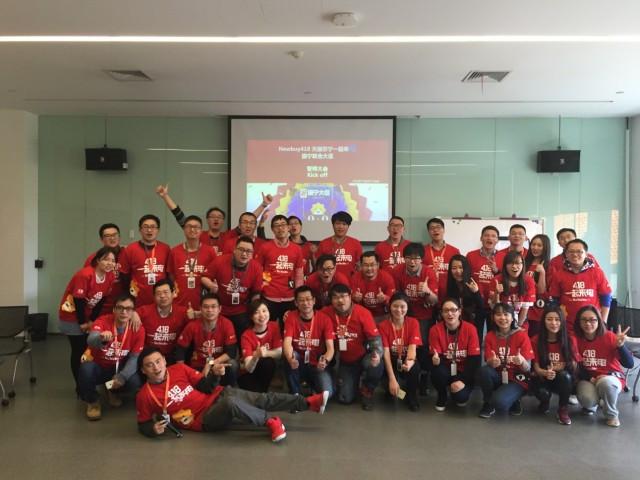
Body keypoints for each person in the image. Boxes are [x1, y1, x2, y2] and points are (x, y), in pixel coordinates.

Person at [136, 347, 329, 442]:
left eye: (158, 361)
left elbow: (205, 387)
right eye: (149, 365)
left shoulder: (178, 369)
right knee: (230, 403)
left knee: (262, 398)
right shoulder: (145, 395)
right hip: (204, 419)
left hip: (217, 395)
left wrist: (215, 375)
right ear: (144, 371)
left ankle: (307, 403)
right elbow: (143, 423)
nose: (156, 367)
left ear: (164, 360)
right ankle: (270, 421)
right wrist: (152, 430)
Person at [59, 246, 116, 395]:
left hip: (87, 316)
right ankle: (80, 387)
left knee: (89, 350)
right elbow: (78, 301)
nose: (109, 263)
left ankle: (87, 382)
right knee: (78, 350)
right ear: (97, 260)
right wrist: (83, 323)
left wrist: (92, 321)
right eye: (106, 259)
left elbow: (102, 300)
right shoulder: (85, 275)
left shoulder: (110, 276)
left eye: (112, 260)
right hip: (72, 317)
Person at [78, 294, 145, 420]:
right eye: (120, 308)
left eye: (128, 309)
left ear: (133, 312)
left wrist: (122, 376)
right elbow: (90, 340)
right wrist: (101, 338)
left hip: (118, 368)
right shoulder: (103, 321)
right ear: (114, 310)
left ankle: (111, 390)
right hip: (99, 366)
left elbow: (134, 357)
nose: (124, 312)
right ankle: (93, 402)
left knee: (134, 381)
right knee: (85, 370)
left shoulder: (138, 329)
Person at [321, 283, 384, 410]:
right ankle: (345, 382)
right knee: (345, 399)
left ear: (350, 297)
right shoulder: (325, 313)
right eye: (336, 297)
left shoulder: (363, 313)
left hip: (363, 356)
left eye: (343, 296)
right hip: (345, 362)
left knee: (375, 365)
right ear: (331, 300)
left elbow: (375, 339)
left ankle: (367, 389)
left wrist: (377, 354)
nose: (340, 301)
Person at [574, 305, 633, 427]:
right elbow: (577, 367)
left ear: (599, 321)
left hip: (611, 377)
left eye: (592, 320)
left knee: (606, 384)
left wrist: (621, 346)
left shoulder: (609, 336)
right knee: (588, 401)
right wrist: (592, 379)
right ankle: (599, 400)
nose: (588, 323)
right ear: (579, 322)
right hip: (589, 379)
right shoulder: (575, 339)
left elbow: (629, 364)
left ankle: (611, 415)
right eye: (584, 320)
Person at [393, 242, 438, 394]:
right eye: (409, 258)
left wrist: (427, 292)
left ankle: (423, 378)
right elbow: (396, 297)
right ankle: (407, 377)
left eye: (416, 258)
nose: (412, 262)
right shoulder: (398, 271)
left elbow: (435, 301)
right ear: (404, 258)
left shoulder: (429, 272)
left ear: (421, 259)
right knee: (404, 346)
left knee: (423, 347)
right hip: (404, 315)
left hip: (424, 316)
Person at [478, 303, 534, 418]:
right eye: (498, 314)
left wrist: (522, 362)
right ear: (493, 318)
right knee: (484, 371)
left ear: (512, 317)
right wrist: (492, 362)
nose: (502, 318)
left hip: (517, 378)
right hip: (499, 375)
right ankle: (487, 403)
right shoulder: (489, 336)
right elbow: (488, 362)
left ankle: (515, 399)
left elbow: (528, 369)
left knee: (500, 403)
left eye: (506, 314)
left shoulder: (522, 335)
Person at [205, 236, 263, 338]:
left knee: (243, 339)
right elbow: (204, 277)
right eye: (241, 250)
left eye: (248, 251)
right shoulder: (220, 261)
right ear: (235, 250)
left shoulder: (256, 267)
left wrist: (256, 311)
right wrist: (210, 285)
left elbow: (256, 293)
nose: (244, 254)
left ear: (252, 253)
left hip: (242, 310)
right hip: (220, 309)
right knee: (218, 339)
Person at [429, 298, 481, 411]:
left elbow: (474, 360)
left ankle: (456, 392)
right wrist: (436, 360)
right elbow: (437, 356)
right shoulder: (435, 330)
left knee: (460, 398)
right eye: (446, 310)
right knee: (437, 370)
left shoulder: (470, 329)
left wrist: (462, 380)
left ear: (460, 311)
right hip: (446, 370)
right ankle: (442, 395)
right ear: (442, 313)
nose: (450, 313)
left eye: (453, 310)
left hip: (464, 371)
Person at [175, 294, 239, 386]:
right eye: (206, 307)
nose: (209, 310)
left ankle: (230, 388)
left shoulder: (227, 324)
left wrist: (210, 363)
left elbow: (231, 352)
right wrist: (181, 371)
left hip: (219, 363)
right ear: (200, 309)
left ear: (219, 309)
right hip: (199, 365)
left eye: (213, 307)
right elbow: (180, 349)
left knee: (233, 364)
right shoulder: (192, 326)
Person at [283, 286, 335, 396]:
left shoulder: (325, 319)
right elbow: (287, 343)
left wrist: (325, 360)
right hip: (299, 363)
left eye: (308, 299)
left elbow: (330, 348)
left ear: (314, 301)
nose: (305, 303)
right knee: (292, 355)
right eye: (301, 300)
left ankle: (311, 387)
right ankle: (295, 394)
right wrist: (290, 358)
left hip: (317, 363)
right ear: (296, 303)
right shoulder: (291, 317)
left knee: (328, 393)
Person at [530, 305, 578, 425]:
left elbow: (574, 364)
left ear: (562, 322)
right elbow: (536, 367)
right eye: (549, 319)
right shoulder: (536, 340)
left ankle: (563, 409)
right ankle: (545, 401)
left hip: (562, 378)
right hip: (543, 377)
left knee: (565, 376)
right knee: (541, 391)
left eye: (557, 319)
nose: (553, 323)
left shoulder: (570, 339)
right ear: (543, 321)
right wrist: (545, 372)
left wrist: (558, 368)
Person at [549, 239, 612, 328]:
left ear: (586, 254)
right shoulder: (559, 274)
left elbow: (606, 297)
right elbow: (554, 300)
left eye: (579, 252)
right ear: (566, 254)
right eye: (571, 251)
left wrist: (603, 321)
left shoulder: (597, 272)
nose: (575, 254)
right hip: (567, 325)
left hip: (592, 325)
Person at [156, 184, 230, 255]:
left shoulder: (228, 236)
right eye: (213, 216)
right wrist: (165, 196)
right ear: (207, 220)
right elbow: (179, 215)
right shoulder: (198, 233)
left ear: (223, 220)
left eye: (219, 217)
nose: (216, 219)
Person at [258, 214, 305, 325]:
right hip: (269, 296)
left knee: (288, 329)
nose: (280, 228)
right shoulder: (265, 247)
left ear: (288, 227)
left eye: (283, 225)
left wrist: (299, 295)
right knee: (268, 328)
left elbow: (299, 274)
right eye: (276, 225)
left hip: (290, 297)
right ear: (272, 229)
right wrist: (264, 286)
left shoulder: (297, 249)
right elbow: (258, 271)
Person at [379, 292, 422, 411]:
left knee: (415, 368)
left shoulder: (413, 323)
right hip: (391, 360)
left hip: (406, 359)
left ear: (407, 308)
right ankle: (393, 390)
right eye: (395, 306)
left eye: (402, 306)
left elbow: (412, 348)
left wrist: (410, 362)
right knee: (387, 379)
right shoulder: (383, 325)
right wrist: (392, 379)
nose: (399, 310)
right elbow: (386, 353)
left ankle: (411, 396)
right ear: (390, 307)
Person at [119, 214, 171, 307]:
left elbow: (169, 275)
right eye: (146, 227)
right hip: (138, 300)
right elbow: (124, 277)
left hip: (162, 299)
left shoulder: (166, 249)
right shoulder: (130, 249)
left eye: (153, 227)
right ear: (140, 230)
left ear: (158, 230)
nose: (149, 230)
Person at [167, 215, 217, 310]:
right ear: (184, 229)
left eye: (196, 227)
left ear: (201, 231)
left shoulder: (210, 251)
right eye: (189, 226)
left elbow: (214, 276)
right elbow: (171, 277)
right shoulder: (175, 251)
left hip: (204, 303)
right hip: (179, 301)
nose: (192, 229)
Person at [136, 279, 190, 363]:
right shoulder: (144, 311)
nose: (162, 296)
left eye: (166, 292)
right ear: (154, 296)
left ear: (173, 293)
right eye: (158, 293)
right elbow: (126, 313)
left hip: (173, 357)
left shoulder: (183, 312)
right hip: (149, 358)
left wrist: (194, 315)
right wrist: (133, 314)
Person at [238, 299, 282, 392]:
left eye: (264, 311)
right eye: (256, 312)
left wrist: (264, 353)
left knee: (268, 362)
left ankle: (264, 391)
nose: (262, 315)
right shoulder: (246, 335)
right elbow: (249, 368)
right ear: (251, 316)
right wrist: (256, 356)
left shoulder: (274, 326)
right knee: (254, 394)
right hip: (247, 373)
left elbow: (280, 353)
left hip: (264, 368)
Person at [466, 225, 500, 341]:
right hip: (476, 304)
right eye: (486, 235)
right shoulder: (470, 255)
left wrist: (497, 271)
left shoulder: (502, 256)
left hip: (494, 304)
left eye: (493, 236)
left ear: (497, 240)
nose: (489, 238)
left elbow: (505, 278)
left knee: (494, 337)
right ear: (481, 238)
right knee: (476, 338)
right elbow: (467, 278)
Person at [489, 250, 536, 329]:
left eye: (517, 263)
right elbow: (495, 307)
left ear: (523, 265)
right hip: (500, 323)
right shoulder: (496, 280)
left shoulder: (529, 281)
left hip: (520, 324)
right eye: (511, 263)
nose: (514, 266)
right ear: (505, 265)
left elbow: (525, 309)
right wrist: (497, 293)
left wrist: (517, 327)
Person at [84, 223, 125, 311]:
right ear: (101, 240)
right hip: (101, 306)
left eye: (115, 235)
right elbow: (87, 284)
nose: (112, 238)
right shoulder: (94, 259)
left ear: (119, 237)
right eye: (107, 236)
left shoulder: (127, 254)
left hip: (123, 304)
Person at [350, 251, 395, 322]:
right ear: (361, 266)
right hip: (362, 315)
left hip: (383, 315)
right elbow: (349, 301)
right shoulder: (355, 278)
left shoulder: (387, 278)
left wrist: (385, 298)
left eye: (372, 265)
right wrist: (354, 298)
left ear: (378, 265)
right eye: (365, 265)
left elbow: (394, 301)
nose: (369, 268)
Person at [442, 254, 483, 328]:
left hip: (473, 323)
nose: (458, 271)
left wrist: (476, 292)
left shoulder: (473, 282)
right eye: (454, 268)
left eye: (461, 267)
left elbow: (481, 306)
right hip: (455, 323)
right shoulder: (449, 284)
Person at [317, 211, 363, 277]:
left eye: (344, 224)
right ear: (333, 225)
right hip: (329, 281)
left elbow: (360, 266)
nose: (341, 227)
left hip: (350, 281)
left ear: (348, 226)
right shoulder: (323, 243)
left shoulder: (356, 244)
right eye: (338, 223)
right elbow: (318, 266)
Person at [423, 218, 461, 296]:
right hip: (429, 292)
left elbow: (459, 274)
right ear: (428, 232)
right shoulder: (423, 251)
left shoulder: (454, 251)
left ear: (443, 230)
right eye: (432, 228)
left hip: (450, 292)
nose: (435, 230)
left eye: (438, 227)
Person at [524, 234, 551, 337]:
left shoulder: (549, 266)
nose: (535, 248)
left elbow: (541, 291)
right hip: (522, 308)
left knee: (535, 339)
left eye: (539, 245)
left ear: (545, 247)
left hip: (537, 311)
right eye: (533, 244)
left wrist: (542, 273)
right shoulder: (523, 263)